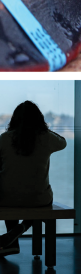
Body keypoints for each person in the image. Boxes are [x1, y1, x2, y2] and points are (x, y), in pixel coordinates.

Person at [0, 101, 66, 257]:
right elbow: (63, 141)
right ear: (39, 119)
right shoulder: (47, 138)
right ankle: (23, 227)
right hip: (39, 199)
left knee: (11, 195)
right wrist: (44, 129)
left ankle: (13, 241)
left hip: (7, 198)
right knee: (37, 201)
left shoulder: (4, 139)